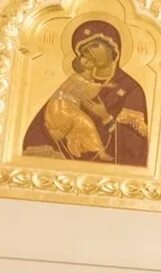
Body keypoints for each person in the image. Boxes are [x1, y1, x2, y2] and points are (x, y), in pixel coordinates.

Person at [23, 21, 149, 165]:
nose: (89, 53)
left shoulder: (130, 88)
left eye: (94, 45)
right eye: (84, 51)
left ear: (113, 46)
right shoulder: (74, 82)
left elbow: (137, 146)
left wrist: (106, 117)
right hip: (63, 166)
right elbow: (38, 130)